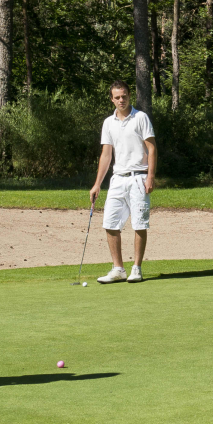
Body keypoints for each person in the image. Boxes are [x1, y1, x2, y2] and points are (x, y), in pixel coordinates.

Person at [90, 81, 157, 283]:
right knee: (110, 223)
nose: (121, 100)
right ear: (112, 99)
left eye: (124, 96)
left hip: (139, 177)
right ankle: (118, 269)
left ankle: (136, 268)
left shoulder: (141, 118)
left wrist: (151, 177)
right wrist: (97, 184)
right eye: (117, 97)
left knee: (139, 224)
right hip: (118, 179)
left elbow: (152, 149)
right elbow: (106, 155)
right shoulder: (108, 123)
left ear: (130, 96)